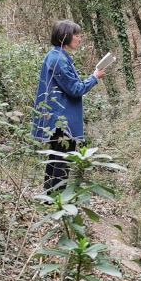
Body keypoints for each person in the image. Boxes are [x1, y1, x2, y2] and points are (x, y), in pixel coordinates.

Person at [32, 20, 106, 193]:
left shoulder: (58, 56)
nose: (80, 39)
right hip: (61, 120)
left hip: (58, 118)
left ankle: (49, 198)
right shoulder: (58, 59)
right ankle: (56, 200)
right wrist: (94, 78)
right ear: (64, 36)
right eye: (77, 35)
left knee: (56, 158)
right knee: (62, 161)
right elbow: (75, 89)